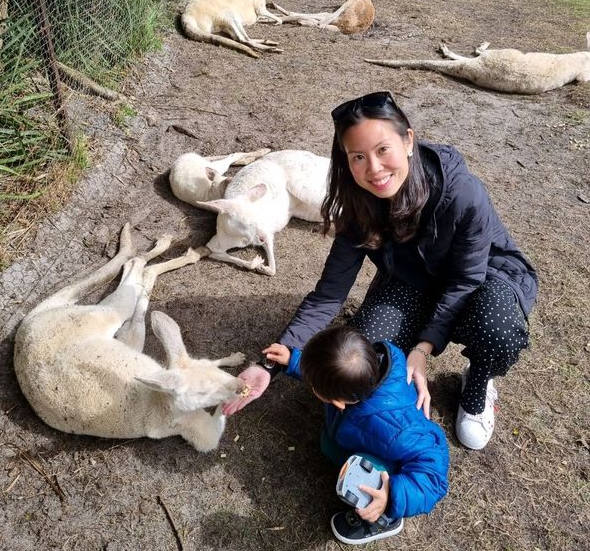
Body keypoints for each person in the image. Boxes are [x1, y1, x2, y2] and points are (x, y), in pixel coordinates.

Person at [223, 90, 538, 453]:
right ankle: (399, 397)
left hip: (482, 277)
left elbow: (465, 279)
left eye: (383, 149)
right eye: (358, 157)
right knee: (362, 360)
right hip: (410, 283)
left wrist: (422, 349)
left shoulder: (462, 193)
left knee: (498, 330)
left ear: (408, 141)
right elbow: (328, 295)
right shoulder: (356, 205)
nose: (373, 169)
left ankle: (478, 384)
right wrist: (268, 367)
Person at [263, 325, 449, 545]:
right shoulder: (364, 368)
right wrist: (294, 360)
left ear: (339, 403)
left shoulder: (400, 430)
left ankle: (385, 518)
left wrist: (392, 493)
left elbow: (433, 477)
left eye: (314, 386)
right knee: (328, 444)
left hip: (395, 471)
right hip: (361, 432)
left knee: (370, 477)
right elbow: (327, 368)